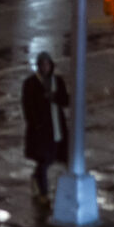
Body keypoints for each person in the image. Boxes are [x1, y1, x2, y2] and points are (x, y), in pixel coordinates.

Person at [19, 52, 69, 201]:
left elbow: (65, 100)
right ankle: (43, 193)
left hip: (56, 128)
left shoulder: (57, 81)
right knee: (44, 160)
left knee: (52, 158)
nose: (45, 67)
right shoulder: (30, 83)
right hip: (41, 131)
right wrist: (35, 125)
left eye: (47, 64)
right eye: (42, 64)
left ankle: (37, 180)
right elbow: (27, 106)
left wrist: (55, 97)